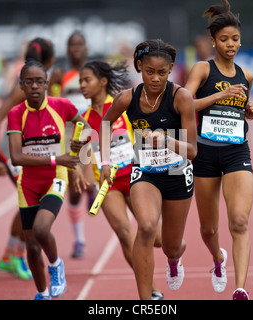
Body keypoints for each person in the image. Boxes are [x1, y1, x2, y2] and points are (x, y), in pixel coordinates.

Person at [99, 39, 198, 300]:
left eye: (162, 73)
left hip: (177, 173)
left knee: (171, 246)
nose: (155, 78)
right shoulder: (126, 98)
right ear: (140, 67)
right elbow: (105, 124)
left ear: (171, 70)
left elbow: (192, 150)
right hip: (145, 171)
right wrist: (105, 162)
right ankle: (146, 300)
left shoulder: (181, 98)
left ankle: (174, 259)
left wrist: (166, 140)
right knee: (145, 227)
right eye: (149, 72)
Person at [184, 0, 253, 300]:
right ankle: (218, 258)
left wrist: (248, 110)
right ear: (213, 41)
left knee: (239, 221)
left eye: (236, 39)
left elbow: (239, 111)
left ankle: (240, 288)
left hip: (236, 152)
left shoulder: (247, 76)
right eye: (225, 39)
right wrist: (221, 95)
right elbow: (183, 104)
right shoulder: (203, 69)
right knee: (207, 230)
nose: (231, 44)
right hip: (204, 154)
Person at [80, 60, 163, 299]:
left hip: (137, 176)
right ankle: (152, 290)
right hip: (107, 183)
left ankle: (173, 253)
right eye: (80, 82)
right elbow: (85, 154)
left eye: (88, 80)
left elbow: (141, 132)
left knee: (157, 239)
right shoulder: (83, 118)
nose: (83, 86)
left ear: (103, 82)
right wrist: (84, 177)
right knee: (125, 233)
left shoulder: (122, 106)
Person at [6, 59, 90, 300]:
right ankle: (42, 293)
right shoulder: (16, 114)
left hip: (55, 178)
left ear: (47, 84)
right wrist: (57, 158)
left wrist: (77, 147)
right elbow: (16, 156)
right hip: (28, 184)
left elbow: (85, 127)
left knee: (42, 229)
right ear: (21, 86)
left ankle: (55, 266)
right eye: (29, 82)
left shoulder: (61, 105)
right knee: (31, 245)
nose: (34, 86)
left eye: (39, 82)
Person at [0, 38, 55, 280]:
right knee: (31, 203)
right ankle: (15, 256)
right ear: (49, 60)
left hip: (30, 148)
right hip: (12, 150)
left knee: (33, 202)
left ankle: (9, 255)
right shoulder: (26, 86)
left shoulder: (43, 79)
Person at [49, 31, 93, 258]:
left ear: (86, 47)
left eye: (80, 44)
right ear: (67, 50)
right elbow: (50, 103)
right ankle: (79, 240)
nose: (76, 48)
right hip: (68, 135)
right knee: (74, 191)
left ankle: (93, 189)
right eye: (72, 45)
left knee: (90, 181)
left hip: (90, 132)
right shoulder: (60, 74)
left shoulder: (94, 71)